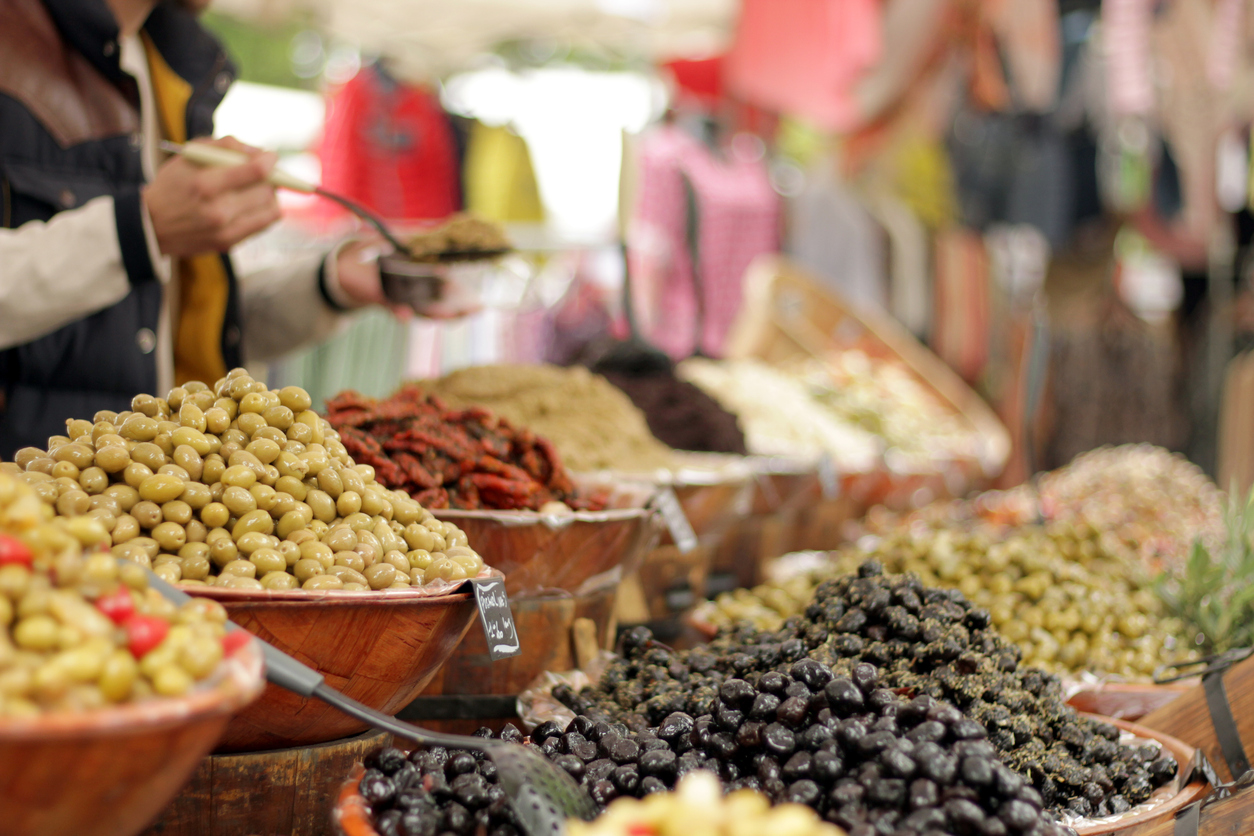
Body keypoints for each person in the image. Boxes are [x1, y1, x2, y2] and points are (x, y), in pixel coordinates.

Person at [0, 0, 405, 457]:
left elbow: (170, 326)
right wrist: (141, 229)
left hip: (151, 502)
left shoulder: (169, 62)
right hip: (29, 502)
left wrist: (328, 284)